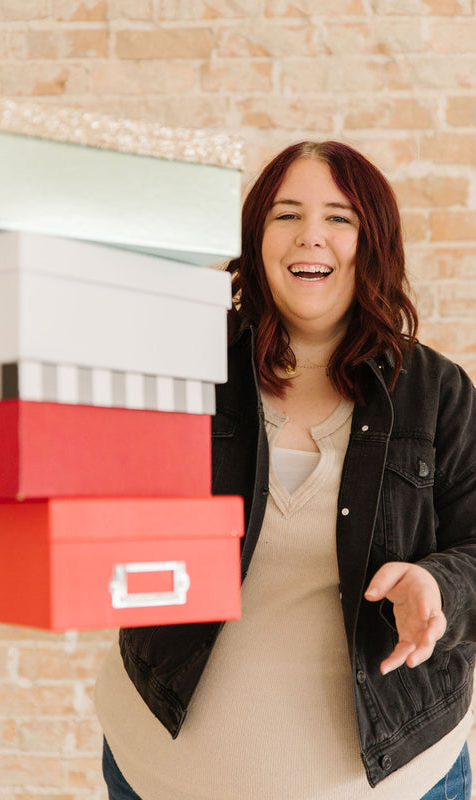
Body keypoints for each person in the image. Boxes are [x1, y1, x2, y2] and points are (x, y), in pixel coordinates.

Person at [95, 141, 476, 799]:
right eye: (284, 215)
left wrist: (435, 585)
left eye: (338, 217)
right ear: (256, 237)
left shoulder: (437, 392)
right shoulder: (181, 362)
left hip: (400, 779)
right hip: (156, 770)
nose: (310, 237)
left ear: (372, 240)